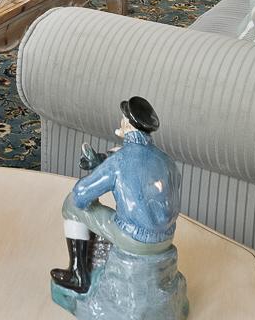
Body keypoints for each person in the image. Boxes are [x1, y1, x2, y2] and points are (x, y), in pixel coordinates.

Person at [51, 95, 176, 295]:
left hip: (135, 238)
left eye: (123, 118)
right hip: (166, 237)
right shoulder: (167, 160)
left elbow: (82, 194)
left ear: (127, 124)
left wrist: (99, 172)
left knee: (72, 205)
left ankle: (78, 274)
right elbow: (133, 163)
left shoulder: (119, 162)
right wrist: (101, 161)